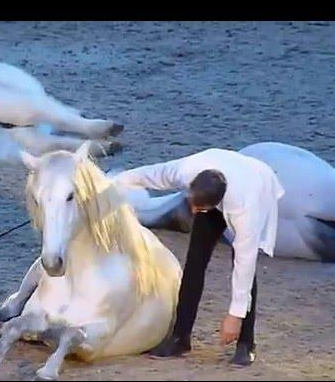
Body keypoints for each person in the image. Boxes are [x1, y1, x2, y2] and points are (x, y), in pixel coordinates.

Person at [112, 148, 285, 366]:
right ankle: (180, 337)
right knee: (195, 261)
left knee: (240, 263)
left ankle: (246, 342)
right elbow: (155, 174)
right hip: (219, 181)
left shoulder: (245, 209)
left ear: (213, 204)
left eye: (199, 207)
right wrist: (117, 181)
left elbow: (245, 263)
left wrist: (234, 316)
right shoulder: (187, 170)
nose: (192, 211)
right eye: (192, 202)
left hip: (256, 185)